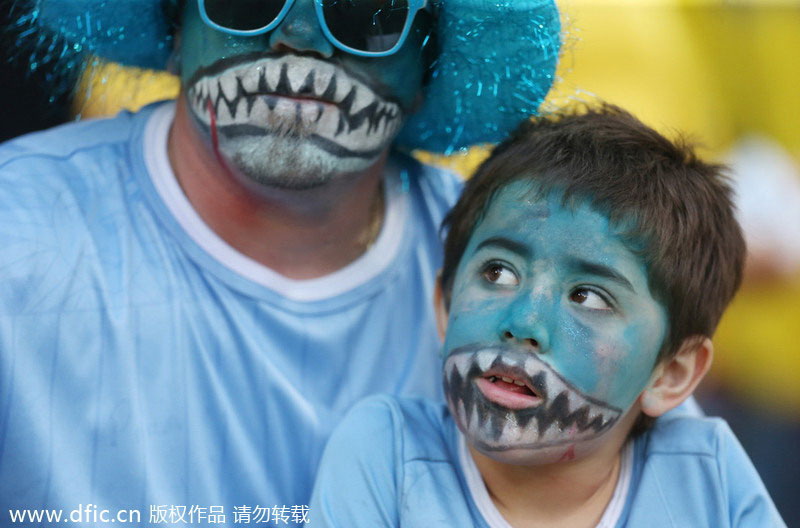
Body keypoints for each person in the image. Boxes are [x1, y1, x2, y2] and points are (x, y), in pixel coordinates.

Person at [0, 0, 561, 522]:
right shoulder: (16, 238)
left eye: (366, 12)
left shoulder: (516, 291)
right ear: (175, 29)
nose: (299, 40)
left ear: (426, 69)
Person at [309, 104, 786, 527]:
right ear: (446, 305)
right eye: (498, 272)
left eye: (590, 297)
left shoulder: (706, 476)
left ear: (671, 374)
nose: (524, 322)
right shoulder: (387, 452)